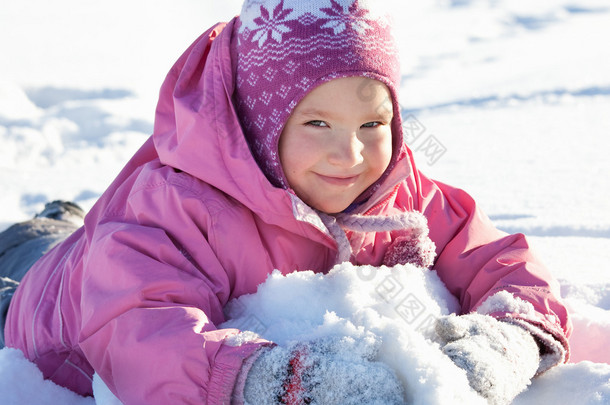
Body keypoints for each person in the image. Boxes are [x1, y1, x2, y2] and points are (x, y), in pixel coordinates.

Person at [1, 1, 571, 404]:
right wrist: (274, 380)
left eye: (372, 122)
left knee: (70, 238)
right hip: (50, 313)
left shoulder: (395, 190)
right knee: (29, 261)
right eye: (317, 122)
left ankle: (63, 222)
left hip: (95, 252)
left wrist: (512, 335)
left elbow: (497, 257)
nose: (349, 154)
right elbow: (141, 331)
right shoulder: (178, 205)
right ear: (259, 118)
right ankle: (44, 229)